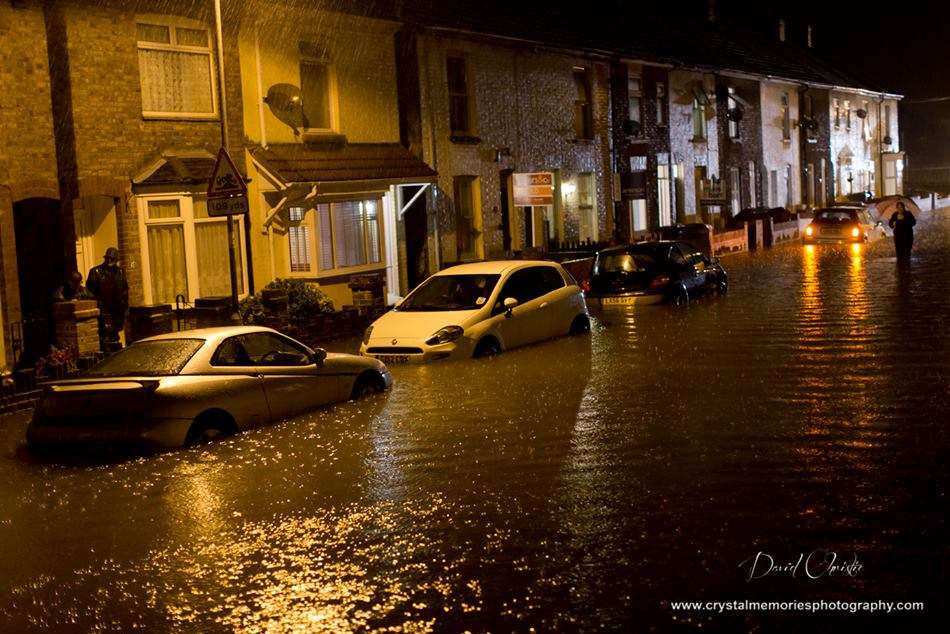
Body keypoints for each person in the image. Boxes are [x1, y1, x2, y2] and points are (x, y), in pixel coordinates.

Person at [87, 247, 129, 349]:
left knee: (115, 337)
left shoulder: (120, 272)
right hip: (103, 309)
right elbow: (90, 293)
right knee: (105, 337)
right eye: (108, 258)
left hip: (117, 309)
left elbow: (125, 290)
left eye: (112, 259)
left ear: (116, 260)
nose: (109, 261)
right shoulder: (95, 272)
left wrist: (125, 307)